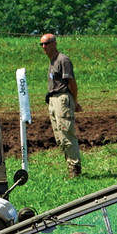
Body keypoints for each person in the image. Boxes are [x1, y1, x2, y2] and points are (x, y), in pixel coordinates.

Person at [40, 33, 82, 178]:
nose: (44, 46)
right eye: (42, 44)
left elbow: (72, 83)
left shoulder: (63, 60)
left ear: (55, 43)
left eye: (47, 43)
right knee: (59, 136)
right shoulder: (52, 61)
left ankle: (75, 169)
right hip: (53, 99)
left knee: (66, 134)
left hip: (62, 99)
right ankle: (69, 167)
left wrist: (74, 102)